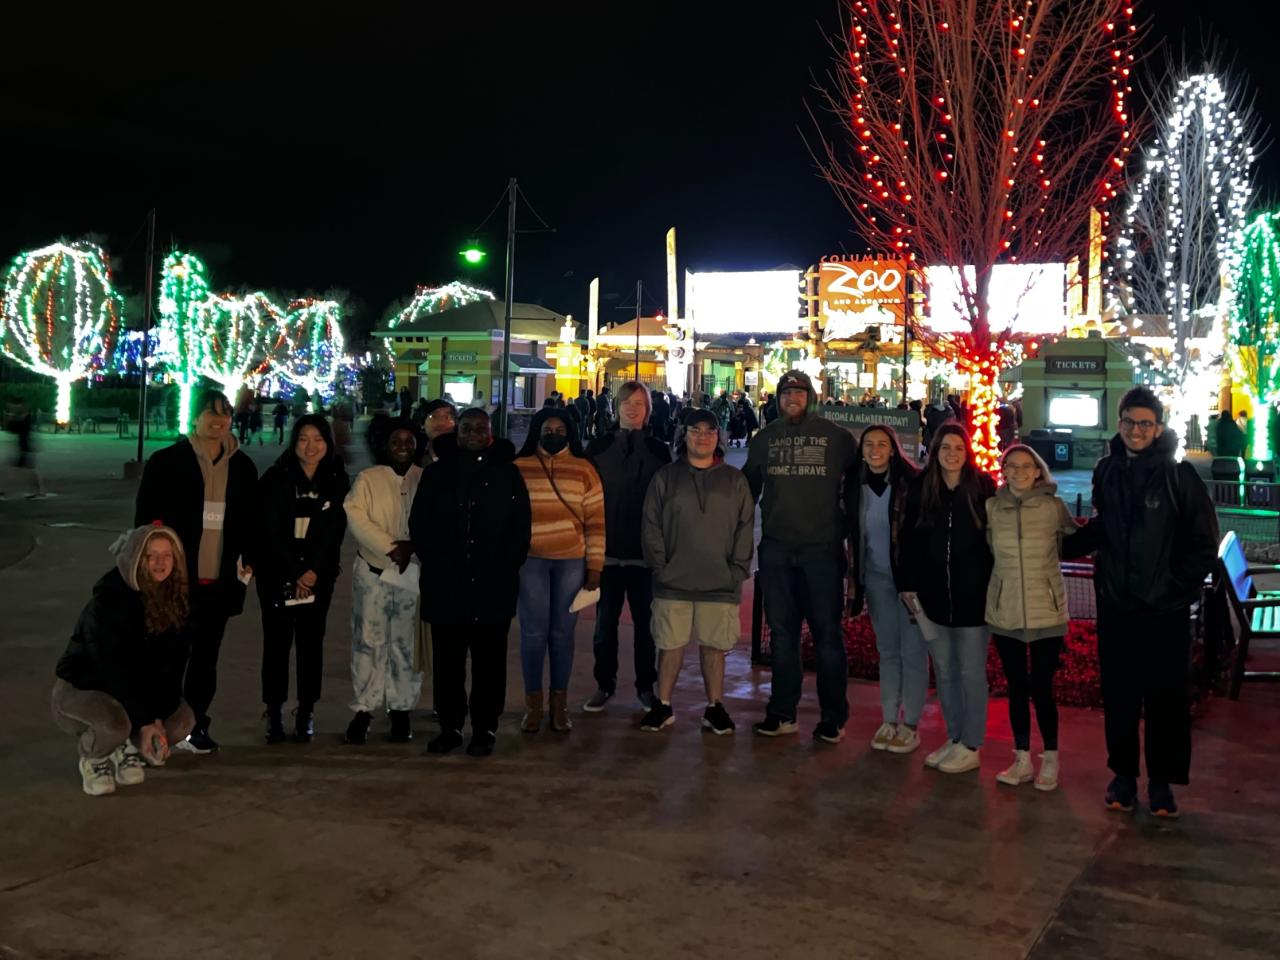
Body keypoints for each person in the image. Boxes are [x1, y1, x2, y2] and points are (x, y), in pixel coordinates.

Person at [1066, 387, 1218, 817]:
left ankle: (1163, 783)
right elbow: (1103, 529)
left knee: (1166, 699)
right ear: (1120, 424)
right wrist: (1058, 541)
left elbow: (1203, 544)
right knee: (1120, 696)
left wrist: (1173, 589)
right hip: (1117, 607)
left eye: (1145, 423)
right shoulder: (1107, 471)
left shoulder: (1179, 477)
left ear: (1159, 428)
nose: (1136, 430)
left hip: (1164, 613)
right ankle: (1124, 776)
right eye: (1130, 422)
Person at [135, 389, 257, 753]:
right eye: (210, 413)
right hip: (175, 582)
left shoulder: (243, 467)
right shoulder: (167, 462)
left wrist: (250, 560)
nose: (218, 420)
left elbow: (252, 523)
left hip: (218, 583)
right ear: (193, 417)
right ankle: (158, 726)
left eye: (225, 414)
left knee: (205, 660)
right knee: (168, 657)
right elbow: (144, 523)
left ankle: (196, 725)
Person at [743, 369, 857, 742]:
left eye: (799, 392)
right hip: (777, 548)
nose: (792, 398)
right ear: (777, 398)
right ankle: (782, 711)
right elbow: (746, 493)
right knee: (781, 636)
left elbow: (859, 491)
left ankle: (832, 717)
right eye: (786, 393)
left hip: (821, 550)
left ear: (811, 397)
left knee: (827, 636)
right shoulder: (765, 439)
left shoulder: (837, 439)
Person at [410, 410, 532, 756]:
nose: (474, 433)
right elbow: (420, 524)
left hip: (492, 587)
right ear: (457, 433)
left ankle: (485, 728)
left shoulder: (508, 475)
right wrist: (438, 562)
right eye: (467, 428)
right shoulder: (436, 475)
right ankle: (449, 726)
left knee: (489, 665)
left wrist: (505, 565)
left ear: (491, 433)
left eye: (481, 428)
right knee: (448, 665)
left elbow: (520, 527)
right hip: (446, 587)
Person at [53, 524, 194, 796]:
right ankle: (94, 758)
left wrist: (157, 722)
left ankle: (127, 747)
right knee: (114, 724)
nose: (160, 563)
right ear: (135, 558)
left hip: (134, 693)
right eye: (151, 555)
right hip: (86, 689)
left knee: (181, 721)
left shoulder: (176, 600)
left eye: (167, 555)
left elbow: (173, 669)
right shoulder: (109, 600)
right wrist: (145, 722)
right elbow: (112, 670)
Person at [639, 409, 754, 733]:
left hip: (719, 581)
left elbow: (745, 527)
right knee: (670, 644)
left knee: (714, 647)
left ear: (718, 437)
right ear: (684, 435)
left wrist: (736, 570)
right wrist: (660, 566)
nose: (702, 436)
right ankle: (663, 703)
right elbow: (651, 525)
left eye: (709, 431)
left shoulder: (734, 480)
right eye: (695, 430)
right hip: (673, 581)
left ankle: (715, 705)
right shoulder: (666, 478)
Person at [899, 423, 996, 774]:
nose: (952, 453)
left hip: (974, 599)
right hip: (932, 596)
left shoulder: (982, 488)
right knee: (945, 671)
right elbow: (908, 540)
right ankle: (954, 737)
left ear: (967, 451)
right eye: (945, 447)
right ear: (935, 451)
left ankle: (972, 743)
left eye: (958, 447)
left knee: (971, 672)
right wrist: (908, 584)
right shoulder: (922, 488)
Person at [986, 444, 1079, 791]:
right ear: (1004, 470)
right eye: (1012, 466)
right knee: (1016, 687)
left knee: (1042, 688)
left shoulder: (1054, 508)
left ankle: (1051, 757)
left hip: (1046, 610)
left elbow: (1076, 541)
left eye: (1027, 466)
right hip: (1005, 608)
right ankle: (1021, 756)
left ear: (1038, 471)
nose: (1019, 472)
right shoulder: (992, 508)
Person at [255, 415, 350, 744]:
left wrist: (313, 571)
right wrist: (294, 571)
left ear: (328, 442)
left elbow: (334, 532)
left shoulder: (337, 479)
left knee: (311, 645)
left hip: (317, 578)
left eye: (318, 439)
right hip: (276, 575)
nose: (311, 446)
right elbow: (269, 530)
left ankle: (307, 709)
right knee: (276, 644)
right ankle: (274, 710)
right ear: (293, 442)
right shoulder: (275, 478)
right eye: (303, 439)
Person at [514, 407, 606, 733]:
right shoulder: (519, 468)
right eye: (547, 428)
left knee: (562, 634)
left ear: (570, 432)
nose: (554, 434)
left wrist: (594, 567)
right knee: (533, 634)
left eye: (560, 429)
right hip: (530, 562)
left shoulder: (584, 470)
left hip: (571, 560)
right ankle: (533, 705)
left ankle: (559, 705)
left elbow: (596, 522)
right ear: (537, 431)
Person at [583, 381, 672, 714]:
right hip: (605, 554)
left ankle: (645, 686)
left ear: (648, 409)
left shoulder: (659, 450)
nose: (633, 408)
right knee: (604, 627)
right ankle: (604, 684)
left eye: (639, 403)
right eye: (627, 402)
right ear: (617, 407)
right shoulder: (599, 447)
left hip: (644, 556)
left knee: (646, 629)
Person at [342, 417, 426, 745]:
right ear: (384, 444)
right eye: (396, 441)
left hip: (411, 575)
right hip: (374, 571)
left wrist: (412, 546)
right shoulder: (368, 479)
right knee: (368, 641)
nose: (403, 446)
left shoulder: (425, 478)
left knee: (405, 644)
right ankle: (364, 709)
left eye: (409, 440)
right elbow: (356, 516)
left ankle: (401, 709)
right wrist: (391, 547)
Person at [848, 425, 925, 754]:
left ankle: (911, 725)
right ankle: (890, 718)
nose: (875, 449)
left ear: (894, 449)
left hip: (910, 583)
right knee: (889, 652)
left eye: (882, 444)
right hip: (877, 579)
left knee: (913, 654)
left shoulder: (913, 484)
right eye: (869, 444)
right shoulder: (854, 485)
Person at [3, 396, 46, 498]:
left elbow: (14, 428)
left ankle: (40, 491)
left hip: (26, 449)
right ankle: (40, 491)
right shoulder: (24, 416)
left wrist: (11, 416)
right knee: (31, 471)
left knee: (27, 471)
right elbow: (11, 429)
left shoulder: (26, 417)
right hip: (25, 448)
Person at [418, 399, 457, 466]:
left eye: (447, 417)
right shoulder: (413, 453)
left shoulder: (463, 458)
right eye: (433, 416)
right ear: (423, 423)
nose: (441, 423)